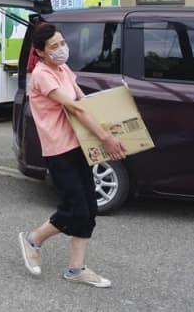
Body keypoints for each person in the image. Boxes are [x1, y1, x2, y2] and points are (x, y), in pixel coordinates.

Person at [17, 22, 126, 288]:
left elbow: (83, 101)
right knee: (75, 208)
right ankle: (33, 240)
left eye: (62, 42)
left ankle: (77, 269)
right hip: (59, 150)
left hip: (78, 145)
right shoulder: (43, 75)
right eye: (54, 46)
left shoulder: (63, 68)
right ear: (40, 52)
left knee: (90, 209)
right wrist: (105, 137)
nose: (61, 49)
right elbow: (74, 109)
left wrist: (117, 108)